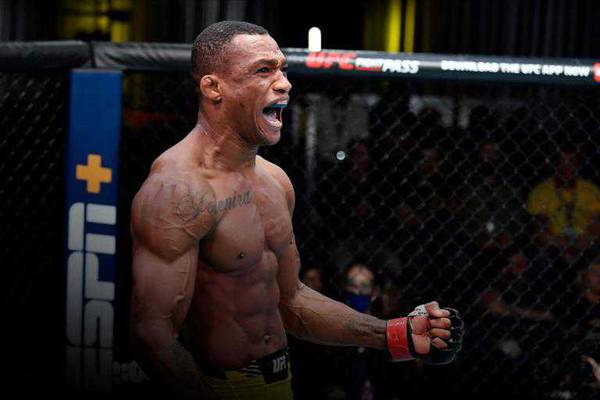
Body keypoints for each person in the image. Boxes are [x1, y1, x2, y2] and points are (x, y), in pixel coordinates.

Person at [129, 20, 463, 400]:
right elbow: (151, 335)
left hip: (280, 380)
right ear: (213, 87)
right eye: (263, 70)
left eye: (283, 69)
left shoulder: (275, 181)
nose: (285, 83)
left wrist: (393, 334)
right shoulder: (177, 191)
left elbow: (291, 301)